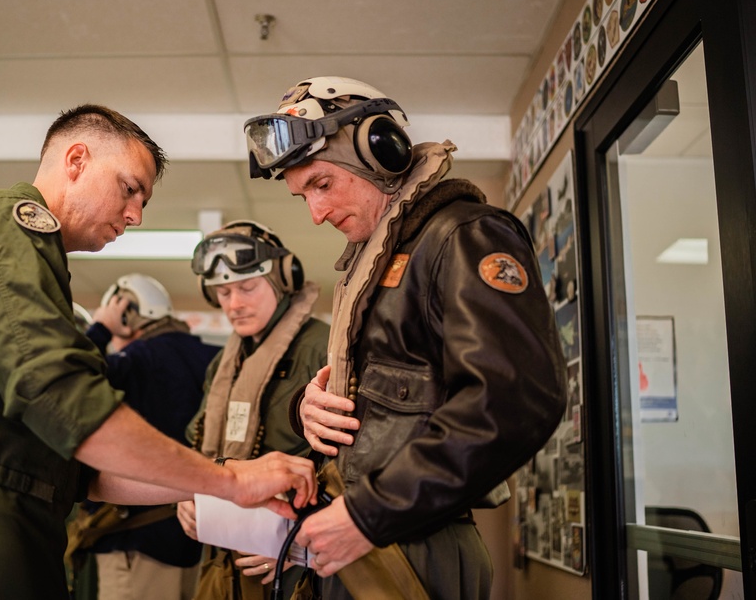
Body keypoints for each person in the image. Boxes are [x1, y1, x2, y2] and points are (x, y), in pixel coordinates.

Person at [0, 105, 316, 600]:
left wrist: (218, 481)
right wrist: (228, 480)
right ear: (76, 160)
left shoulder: (33, 260)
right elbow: (59, 395)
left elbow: (83, 473)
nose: (136, 214)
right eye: (130, 188)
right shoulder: (3, 223)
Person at [246, 77, 567, 599]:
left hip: (410, 539)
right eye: (302, 194)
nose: (316, 213)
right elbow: (392, 405)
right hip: (360, 529)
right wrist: (306, 410)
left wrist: (368, 515)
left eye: (322, 184)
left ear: (380, 152)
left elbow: (513, 399)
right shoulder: (375, 262)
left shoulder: (464, 236)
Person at [177, 220, 330, 600]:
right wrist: (186, 495)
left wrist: (302, 542)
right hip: (222, 558)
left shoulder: (322, 350)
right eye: (223, 292)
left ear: (282, 281)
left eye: (247, 287)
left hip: (294, 565)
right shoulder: (224, 365)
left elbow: (351, 464)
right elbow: (199, 449)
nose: (234, 304)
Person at [70, 274, 220, 600]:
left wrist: (101, 329)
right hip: (194, 537)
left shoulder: (133, 362)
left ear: (126, 314)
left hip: (134, 542)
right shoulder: (213, 358)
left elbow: (70, 378)